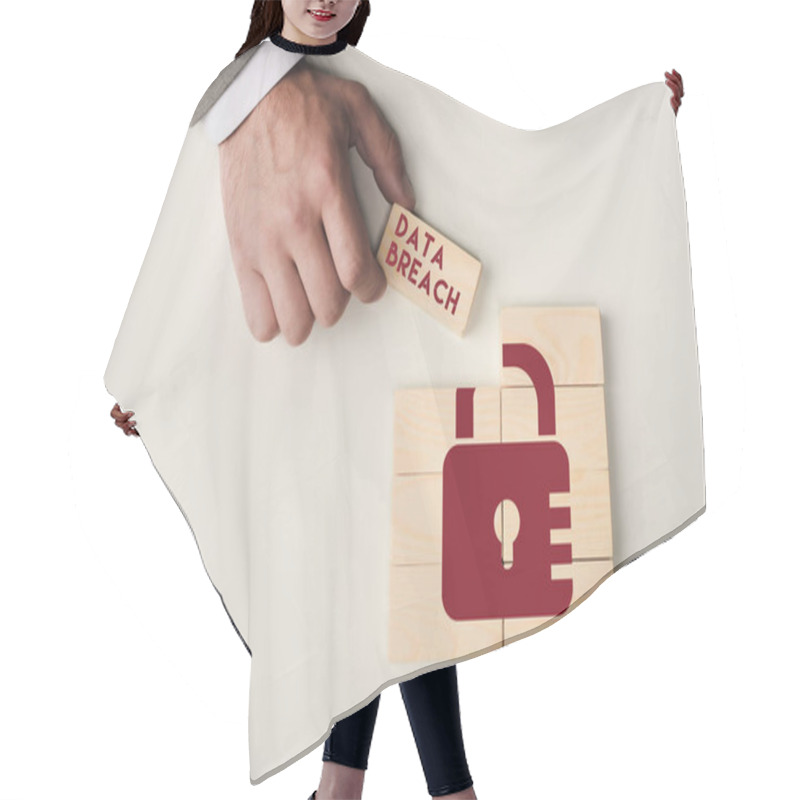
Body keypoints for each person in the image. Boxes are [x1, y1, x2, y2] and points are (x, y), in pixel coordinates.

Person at [110, 3, 686, 798]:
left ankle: (356, 787)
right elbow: (193, 250)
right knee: (383, 578)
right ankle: (423, 789)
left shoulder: (371, 88)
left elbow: (475, 176)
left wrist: (633, 129)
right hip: (309, 386)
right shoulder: (239, 100)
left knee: (406, 575)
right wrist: (149, 374)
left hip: (394, 379)